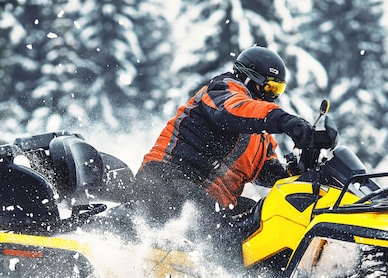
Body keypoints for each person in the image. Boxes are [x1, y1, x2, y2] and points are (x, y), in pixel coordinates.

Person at [132, 46, 313, 252]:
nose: (272, 96)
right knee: (217, 230)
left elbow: (268, 171)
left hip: (211, 198)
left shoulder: (261, 138)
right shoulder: (222, 90)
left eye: (278, 90)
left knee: (264, 217)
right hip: (167, 177)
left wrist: (300, 172)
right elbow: (233, 111)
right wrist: (285, 121)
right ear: (249, 78)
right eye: (270, 88)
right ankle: (211, 276)